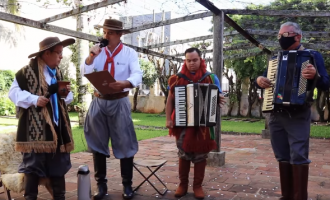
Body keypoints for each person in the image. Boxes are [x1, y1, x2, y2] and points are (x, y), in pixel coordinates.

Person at [256, 22, 330, 200]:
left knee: (298, 154)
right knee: (281, 154)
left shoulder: (312, 56)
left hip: (298, 113)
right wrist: (258, 80)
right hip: (276, 114)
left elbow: (326, 82)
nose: (281, 38)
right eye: (279, 35)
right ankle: (287, 196)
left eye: (285, 34)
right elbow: (265, 80)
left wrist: (316, 77)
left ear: (298, 36)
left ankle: (299, 197)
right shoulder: (275, 60)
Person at [80, 18, 142, 200]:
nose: (105, 35)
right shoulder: (97, 51)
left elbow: (137, 73)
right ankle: (101, 186)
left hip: (120, 100)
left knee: (125, 142)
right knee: (97, 143)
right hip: (99, 101)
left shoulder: (130, 53)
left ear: (120, 35)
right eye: (105, 32)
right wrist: (90, 57)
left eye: (110, 33)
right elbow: (86, 71)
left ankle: (127, 185)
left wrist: (126, 83)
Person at [8, 36, 75, 200]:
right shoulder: (26, 72)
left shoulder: (58, 72)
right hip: (35, 130)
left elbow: (67, 99)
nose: (61, 56)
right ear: (46, 53)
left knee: (58, 166)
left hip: (57, 128)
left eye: (61, 53)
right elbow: (13, 94)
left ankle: (59, 197)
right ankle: (30, 197)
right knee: (33, 168)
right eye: (58, 53)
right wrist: (34, 99)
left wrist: (66, 93)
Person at [166, 47, 226, 199]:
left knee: (201, 155)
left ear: (201, 59)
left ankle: (198, 186)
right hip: (182, 123)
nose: (191, 63)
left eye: (195, 60)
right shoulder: (176, 79)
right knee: (183, 153)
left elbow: (218, 96)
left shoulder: (211, 78)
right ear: (185, 61)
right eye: (188, 60)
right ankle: (183, 184)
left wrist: (218, 98)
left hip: (203, 124)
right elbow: (170, 100)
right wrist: (168, 119)